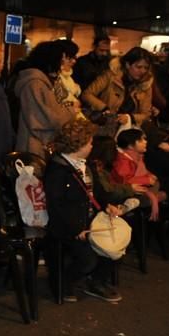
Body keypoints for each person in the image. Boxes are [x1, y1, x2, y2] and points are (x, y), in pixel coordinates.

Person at [44, 120, 124, 303]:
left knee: (113, 248)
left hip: (88, 221)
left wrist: (107, 205)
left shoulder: (85, 165)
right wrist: (75, 229)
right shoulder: (57, 170)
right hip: (66, 225)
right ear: (78, 145)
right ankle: (63, 281)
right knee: (87, 259)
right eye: (89, 142)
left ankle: (96, 282)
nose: (92, 145)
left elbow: (96, 192)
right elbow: (57, 205)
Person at [13, 41, 73, 158]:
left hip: (39, 143)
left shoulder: (41, 82)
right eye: (60, 60)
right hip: (34, 146)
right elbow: (41, 119)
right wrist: (70, 112)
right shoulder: (34, 83)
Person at [81, 47, 156, 135]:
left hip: (127, 131)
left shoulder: (145, 85)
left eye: (146, 68)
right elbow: (87, 94)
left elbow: (145, 115)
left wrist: (129, 118)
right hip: (104, 125)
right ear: (128, 65)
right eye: (138, 67)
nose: (143, 71)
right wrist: (104, 108)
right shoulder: (111, 76)